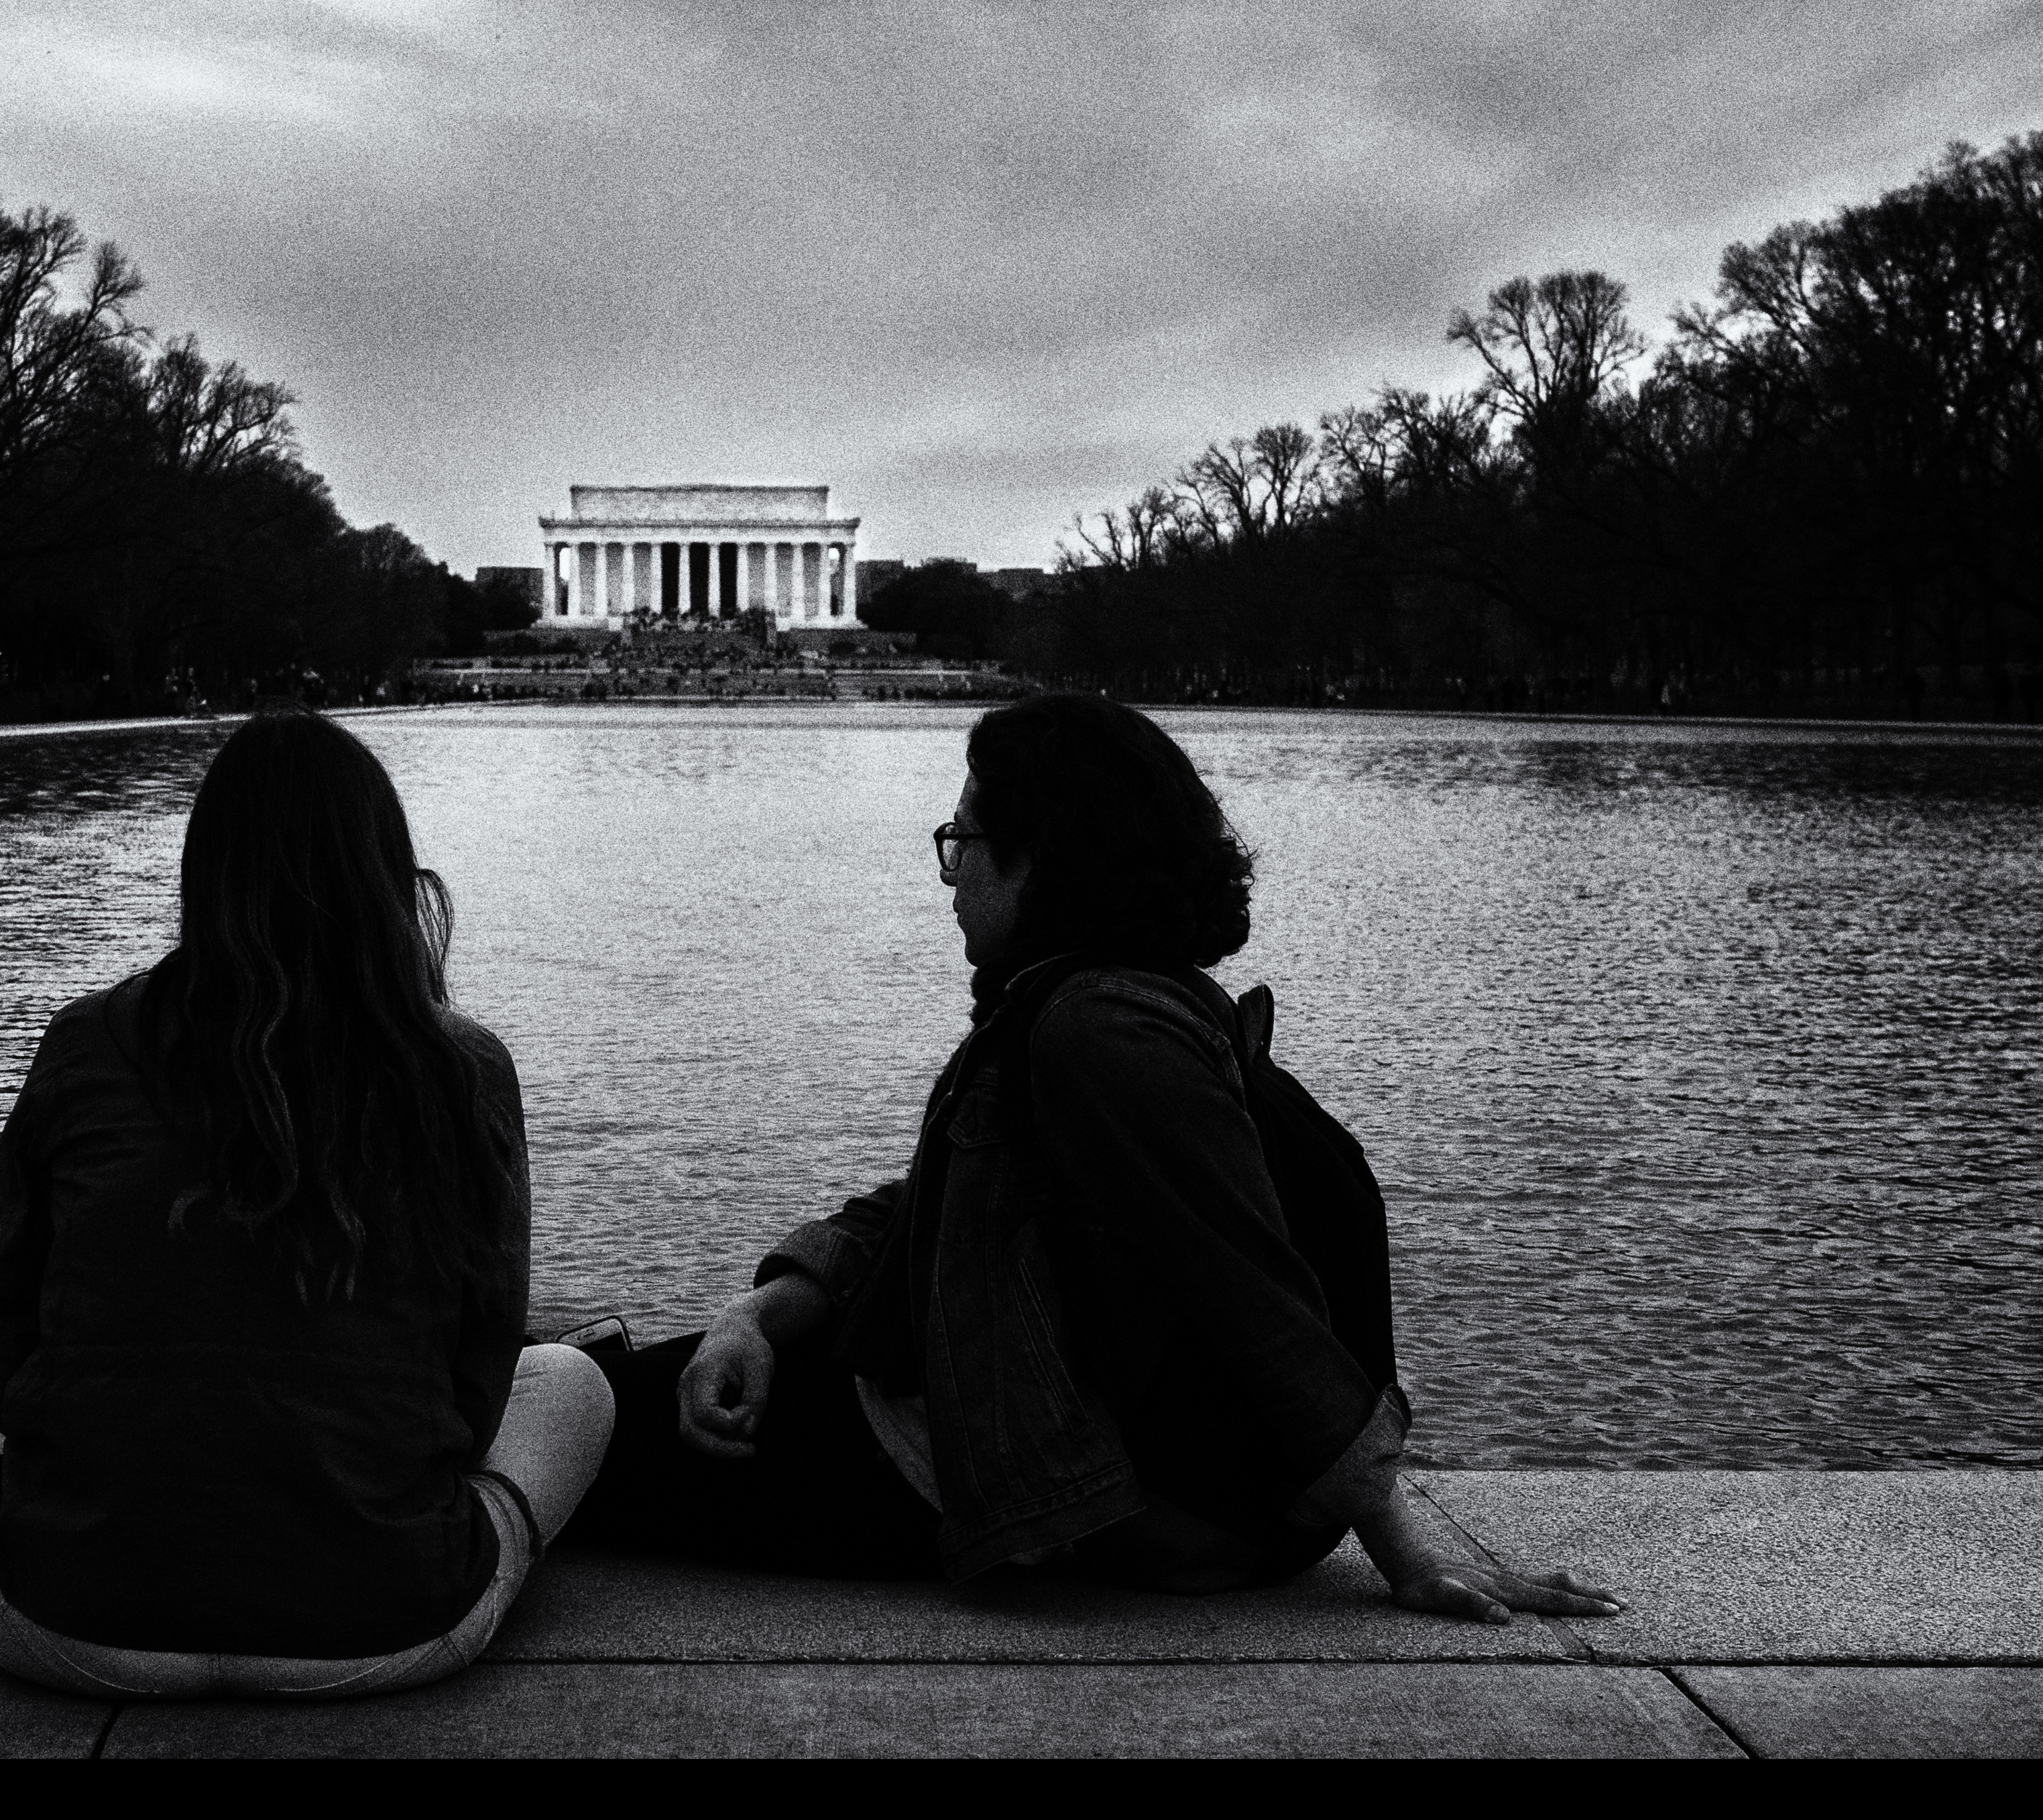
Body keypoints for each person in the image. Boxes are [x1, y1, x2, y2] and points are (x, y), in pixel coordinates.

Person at [568, 693, 1620, 1622]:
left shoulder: (1098, 1029)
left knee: (557, 1411)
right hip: (1022, 1439)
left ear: (1042, 856)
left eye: (963, 842)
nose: (948, 877)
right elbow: (929, 1212)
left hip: (1014, 1480)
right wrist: (754, 1317)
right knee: (577, 1383)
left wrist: (1407, 1551)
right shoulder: (1104, 1000)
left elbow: (1252, 1291)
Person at [0, 710, 614, 1700]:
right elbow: (477, 1374)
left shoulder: (90, 1039)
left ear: (203, 873)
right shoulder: (461, 1066)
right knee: (568, 1380)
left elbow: (5, 1354)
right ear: (387, 873)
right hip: (383, 1629)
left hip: (72, 1627)